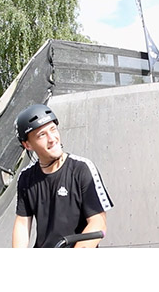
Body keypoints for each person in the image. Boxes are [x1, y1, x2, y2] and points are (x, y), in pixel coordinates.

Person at [12, 103, 113, 248]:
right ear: (28, 145)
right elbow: (22, 224)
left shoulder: (82, 169)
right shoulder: (26, 177)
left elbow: (98, 223)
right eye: (42, 135)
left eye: (53, 129)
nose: (52, 138)